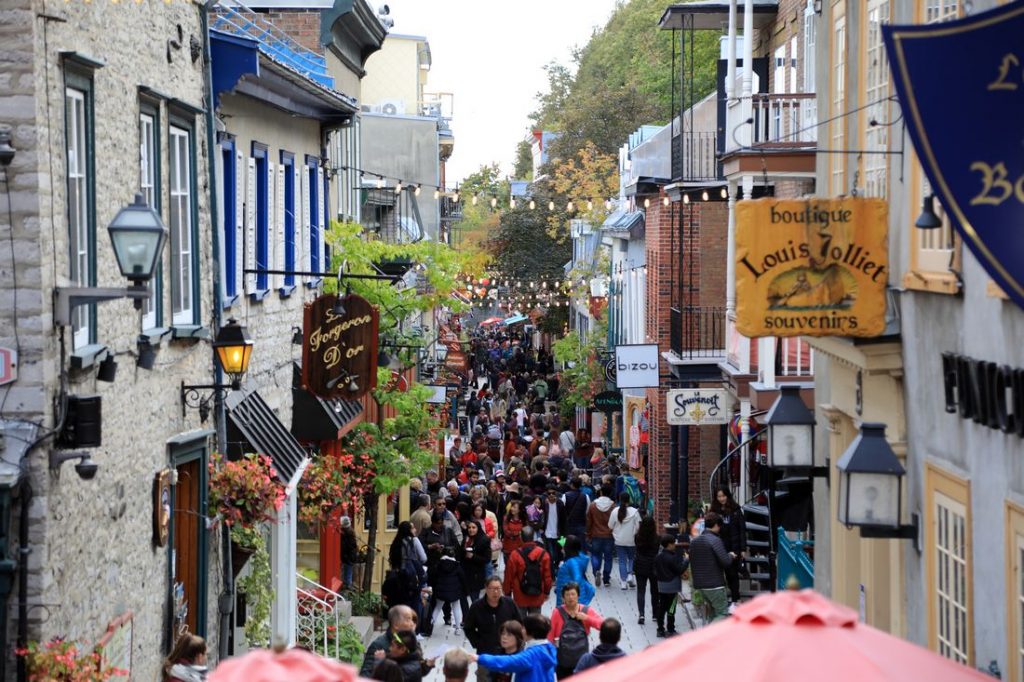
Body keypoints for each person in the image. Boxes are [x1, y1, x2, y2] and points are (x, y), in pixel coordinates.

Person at [463, 576, 524, 682]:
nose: (496, 592)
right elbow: (468, 628)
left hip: (507, 652)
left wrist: (516, 643)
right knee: (484, 678)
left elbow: (519, 624)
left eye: (499, 588)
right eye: (492, 589)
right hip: (486, 651)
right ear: (486, 589)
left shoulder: (509, 603)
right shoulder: (477, 606)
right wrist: (478, 642)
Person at [472, 614, 558, 682]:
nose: (522, 630)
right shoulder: (549, 648)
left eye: (523, 628)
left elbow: (509, 662)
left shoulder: (532, 654)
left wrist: (479, 658)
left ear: (530, 631)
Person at [548, 582, 604, 679]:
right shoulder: (557, 612)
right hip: (562, 660)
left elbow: (603, 625)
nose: (570, 597)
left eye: (573, 594)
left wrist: (587, 618)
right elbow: (550, 635)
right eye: (567, 595)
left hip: (581, 660)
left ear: (578, 596)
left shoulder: (586, 611)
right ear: (563, 598)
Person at [689, 511, 734, 622]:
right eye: (719, 526)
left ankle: (711, 637)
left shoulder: (695, 542)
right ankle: (706, 637)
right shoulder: (715, 540)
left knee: (712, 614)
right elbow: (726, 561)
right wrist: (731, 555)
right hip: (715, 584)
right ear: (716, 525)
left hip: (700, 584)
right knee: (722, 614)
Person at [503, 525, 553, 616]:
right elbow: (547, 577)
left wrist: (507, 593)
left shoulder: (515, 554)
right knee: (535, 624)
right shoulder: (543, 553)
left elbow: (508, 576)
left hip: (520, 595)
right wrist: (546, 592)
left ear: (521, 537)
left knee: (521, 624)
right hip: (537, 594)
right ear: (533, 537)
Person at [710, 486, 747, 605]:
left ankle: (735, 598)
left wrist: (743, 548)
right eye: (719, 496)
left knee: (732, 574)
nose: (721, 499)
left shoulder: (736, 510)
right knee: (720, 574)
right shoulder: (714, 511)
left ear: (728, 495)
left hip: (733, 546)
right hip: (719, 546)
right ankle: (722, 600)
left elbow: (742, 529)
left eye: (723, 496)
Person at [360, 605, 417, 676]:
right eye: (408, 619)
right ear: (396, 625)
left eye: (412, 620)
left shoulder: (409, 642)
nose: (412, 624)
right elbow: (365, 676)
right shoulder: (378, 645)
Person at [654, 534, 690, 637]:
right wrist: (686, 560)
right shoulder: (672, 557)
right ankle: (671, 629)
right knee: (671, 608)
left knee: (661, 607)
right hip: (672, 586)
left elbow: (655, 571)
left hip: (661, 586)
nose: (675, 545)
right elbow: (679, 570)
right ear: (669, 544)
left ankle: (660, 629)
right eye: (674, 543)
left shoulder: (658, 557)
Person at [608, 492, 640, 590]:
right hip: (631, 540)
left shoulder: (615, 511)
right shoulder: (635, 512)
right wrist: (634, 533)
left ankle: (623, 582)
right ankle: (630, 574)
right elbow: (638, 526)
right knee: (631, 558)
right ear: (629, 500)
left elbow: (610, 526)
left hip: (619, 540)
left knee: (622, 561)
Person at [632, 515, 660, 626]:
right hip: (653, 565)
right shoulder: (657, 538)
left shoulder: (637, 537)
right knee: (655, 591)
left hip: (640, 565)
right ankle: (655, 614)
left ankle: (642, 614)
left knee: (641, 591)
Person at [585, 485, 616, 587]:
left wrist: (588, 534)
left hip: (596, 534)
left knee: (595, 555)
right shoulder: (613, 506)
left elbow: (589, 521)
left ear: (601, 492)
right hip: (609, 535)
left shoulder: (593, 505)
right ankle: (606, 579)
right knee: (608, 557)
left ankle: (596, 571)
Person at [554, 535, 594, 607]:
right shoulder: (576, 559)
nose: (562, 549)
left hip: (570, 601)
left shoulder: (572, 562)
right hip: (569, 598)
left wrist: (567, 595)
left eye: (564, 547)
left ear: (568, 548)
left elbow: (577, 579)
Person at [462, 519, 491, 602]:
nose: (471, 529)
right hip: (465, 571)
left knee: (475, 598)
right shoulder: (466, 538)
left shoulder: (484, 540)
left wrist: (473, 556)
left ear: (478, 528)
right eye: (469, 527)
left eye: (474, 527)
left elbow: (487, 559)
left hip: (476, 574)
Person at [541, 486, 566, 574]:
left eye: (553, 493)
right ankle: (552, 574)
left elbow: (564, 521)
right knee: (551, 555)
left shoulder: (560, 504)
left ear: (556, 494)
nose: (551, 495)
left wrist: (563, 538)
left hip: (558, 534)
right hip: (547, 534)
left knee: (558, 555)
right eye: (549, 494)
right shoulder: (544, 504)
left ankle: (556, 570)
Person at [339, 516, 358, 589]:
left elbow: (346, 547)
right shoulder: (350, 533)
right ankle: (347, 586)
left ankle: (347, 587)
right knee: (348, 573)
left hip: (347, 557)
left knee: (347, 574)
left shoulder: (345, 535)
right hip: (349, 557)